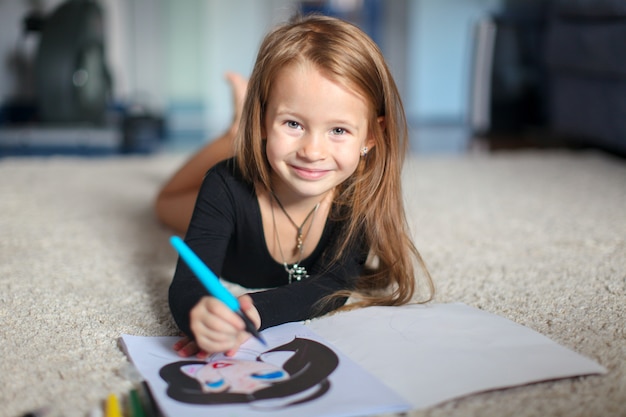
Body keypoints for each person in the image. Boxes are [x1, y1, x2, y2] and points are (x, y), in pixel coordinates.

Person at [162, 14, 434, 359]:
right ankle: (232, 134)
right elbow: (188, 282)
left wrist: (254, 309)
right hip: (233, 197)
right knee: (164, 203)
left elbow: (333, 285)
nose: (312, 152)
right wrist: (198, 313)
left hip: (264, 160)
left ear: (371, 136)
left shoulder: (358, 198)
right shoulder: (223, 187)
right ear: (261, 121)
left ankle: (243, 131)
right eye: (293, 123)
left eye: (338, 130)